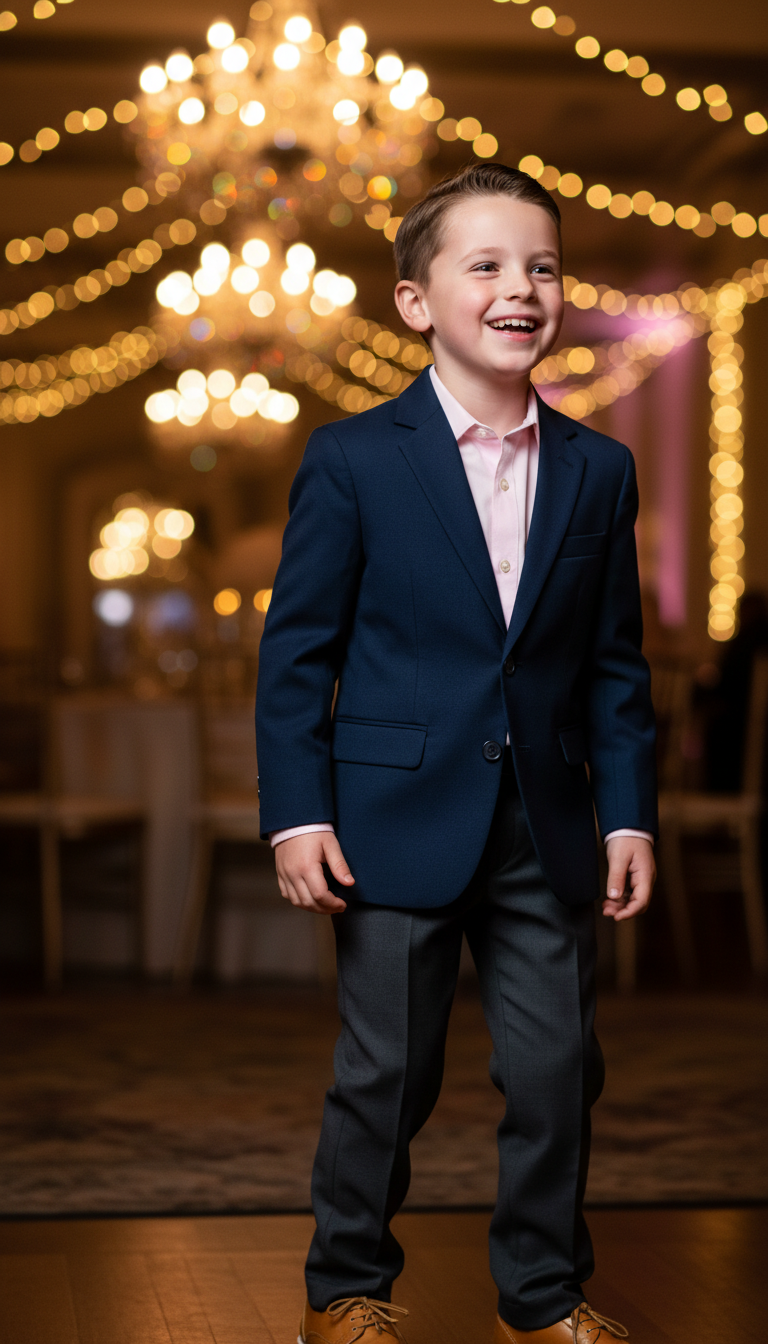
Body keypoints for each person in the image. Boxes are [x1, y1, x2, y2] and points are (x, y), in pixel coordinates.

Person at [256, 163, 657, 1344]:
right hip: (389, 820)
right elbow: (296, 658)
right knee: (386, 1074)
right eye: (482, 265)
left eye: (539, 265)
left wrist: (627, 815)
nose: (517, 288)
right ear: (416, 301)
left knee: (554, 1072)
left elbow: (615, 668)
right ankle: (348, 1290)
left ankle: (540, 1299)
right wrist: (298, 814)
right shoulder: (353, 459)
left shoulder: (599, 471)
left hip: (548, 817)